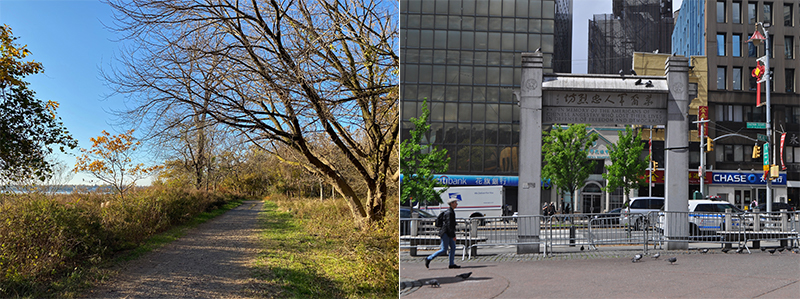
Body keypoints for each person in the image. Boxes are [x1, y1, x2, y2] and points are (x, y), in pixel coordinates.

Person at [424, 198, 460, 269]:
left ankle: (451, 264)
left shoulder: (450, 211)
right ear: (452, 204)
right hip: (446, 233)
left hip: (448, 232)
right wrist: (453, 235)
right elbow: (449, 225)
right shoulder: (449, 213)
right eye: (455, 202)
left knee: (453, 247)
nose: (457, 204)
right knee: (444, 249)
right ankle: (429, 258)